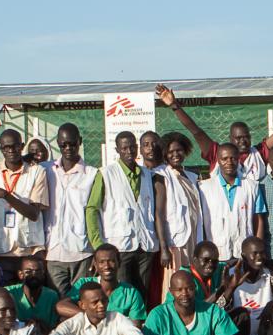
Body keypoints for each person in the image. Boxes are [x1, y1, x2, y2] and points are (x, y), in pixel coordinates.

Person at [84, 130, 155, 290]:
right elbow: (92, 209)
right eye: (124, 148)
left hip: (145, 247)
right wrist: (98, 245)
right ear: (117, 150)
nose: (129, 152)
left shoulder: (146, 174)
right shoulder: (105, 173)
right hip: (119, 247)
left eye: (132, 147)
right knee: (122, 293)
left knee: (141, 293)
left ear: (137, 148)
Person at [0, 128, 50, 265]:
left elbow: (34, 213)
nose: (11, 150)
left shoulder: (36, 172)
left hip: (29, 249)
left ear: (22, 146)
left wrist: (5, 195)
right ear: (1, 149)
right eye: (7, 147)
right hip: (1, 247)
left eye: (15, 146)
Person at [42, 124, 99, 291]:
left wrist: (96, 250)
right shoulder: (46, 170)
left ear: (79, 142)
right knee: (57, 303)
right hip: (53, 251)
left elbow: (97, 214)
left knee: (81, 302)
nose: (68, 148)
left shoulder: (92, 174)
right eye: (63, 144)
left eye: (72, 144)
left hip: (82, 252)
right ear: (58, 143)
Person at [197, 142, 264, 264]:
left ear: (238, 159)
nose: (229, 162)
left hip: (245, 253)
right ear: (218, 160)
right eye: (224, 159)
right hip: (216, 254)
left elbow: (258, 219)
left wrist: (258, 249)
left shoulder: (251, 186)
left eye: (233, 158)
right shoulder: (204, 187)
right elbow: (200, 223)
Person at [152, 132, 207, 275]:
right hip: (175, 241)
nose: (175, 154)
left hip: (194, 237)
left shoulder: (192, 176)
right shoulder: (161, 175)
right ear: (164, 154)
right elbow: (159, 212)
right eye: (170, 152)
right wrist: (164, 247)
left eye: (179, 150)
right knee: (177, 280)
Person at [70, 245, 148, 320]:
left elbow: (136, 326)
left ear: (119, 263)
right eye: (101, 262)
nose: (107, 266)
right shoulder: (83, 283)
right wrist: (92, 316)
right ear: (95, 265)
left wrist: (107, 322)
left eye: (111, 261)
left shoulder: (131, 293)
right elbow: (61, 306)